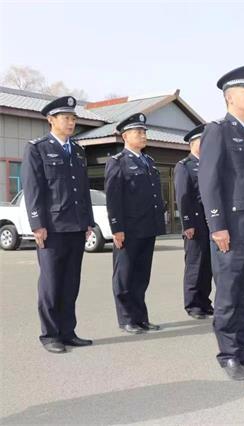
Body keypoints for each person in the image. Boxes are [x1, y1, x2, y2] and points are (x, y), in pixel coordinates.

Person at [198, 65, 244, 381]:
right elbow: (209, 180)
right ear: (230, 97)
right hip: (232, 228)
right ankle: (228, 354)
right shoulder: (217, 130)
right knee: (229, 294)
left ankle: (243, 349)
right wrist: (217, 225)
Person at [21, 95, 94, 353]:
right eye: (66, 118)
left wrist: (88, 222)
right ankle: (50, 335)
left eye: (73, 118)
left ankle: (67, 332)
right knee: (51, 284)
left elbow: (83, 190)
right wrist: (37, 224)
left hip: (76, 226)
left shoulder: (78, 151)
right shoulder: (37, 148)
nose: (71, 122)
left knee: (71, 283)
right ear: (51, 120)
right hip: (51, 227)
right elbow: (33, 189)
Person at [105, 113, 166, 334]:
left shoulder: (148, 161)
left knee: (141, 276)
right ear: (125, 136)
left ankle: (141, 318)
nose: (143, 135)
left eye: (144, 132)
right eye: (138, 132)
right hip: (129, 229)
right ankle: (126, 319)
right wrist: (117, 228)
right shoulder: (118, 162)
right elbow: (113, 198)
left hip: (147, 227)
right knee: (124, 276)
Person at [174, 124, 213, 320]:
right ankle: (193, 304)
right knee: (195, 265)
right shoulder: (184, 166)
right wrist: (187, 224)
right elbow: (182, 197)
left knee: (207, 265)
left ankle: (205, 302)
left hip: (211, 223)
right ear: (192, 144)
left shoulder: (209, 164)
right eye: (201, 141)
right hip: (195, 223)